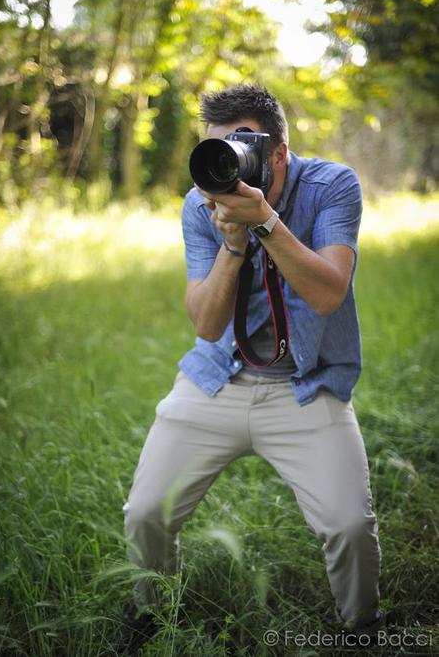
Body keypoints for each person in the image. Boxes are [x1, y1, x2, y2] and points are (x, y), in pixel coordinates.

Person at [122, 84, 383, 650]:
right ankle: (152, 613)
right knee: (145, 511)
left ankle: (363, 630)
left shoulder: (332, 185)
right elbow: (206, 325)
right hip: (217, 379)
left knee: (350, 527)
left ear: (279, 152)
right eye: (217, 149)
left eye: (241, 147)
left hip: (306, 387)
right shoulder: (201, 203)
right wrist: (234, 242)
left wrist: (265, 220)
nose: (226, 162)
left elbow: (328, 293)